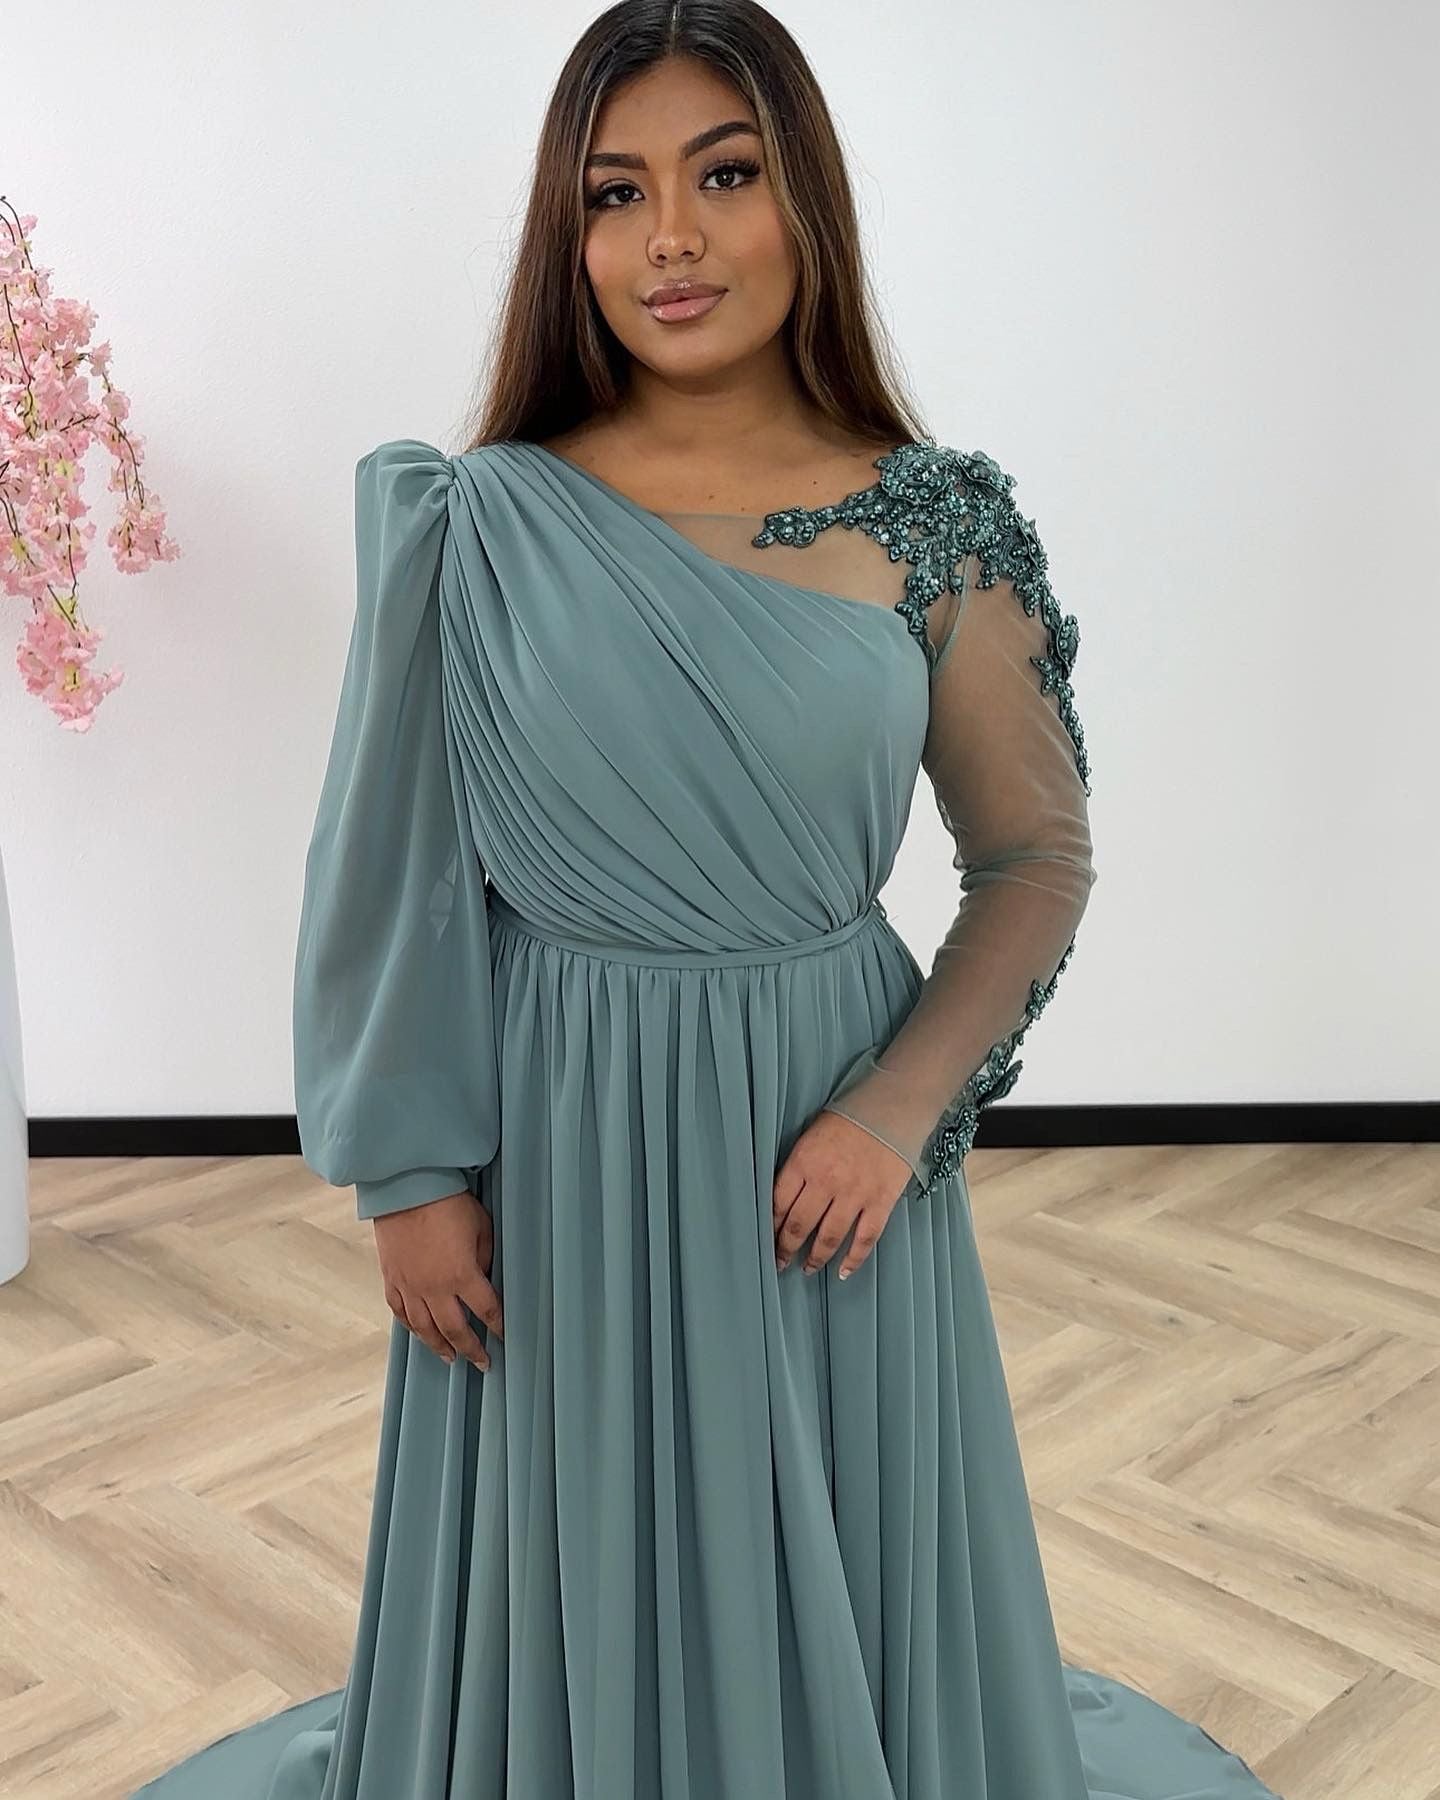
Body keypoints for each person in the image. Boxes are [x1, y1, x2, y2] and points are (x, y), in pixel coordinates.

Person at [133, 7, 1280, 1797]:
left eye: (724, 175)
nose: (670, 239)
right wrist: (409, 1177)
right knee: (573, 1562)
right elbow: (388, 867)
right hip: (559, 1141)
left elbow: (1034, 860)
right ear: (569, 235)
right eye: (616, 194)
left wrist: (896, 1116)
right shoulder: (476, 518)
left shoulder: (931, 524)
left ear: (804, 197)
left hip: (821, 1156)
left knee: (827, 1542)